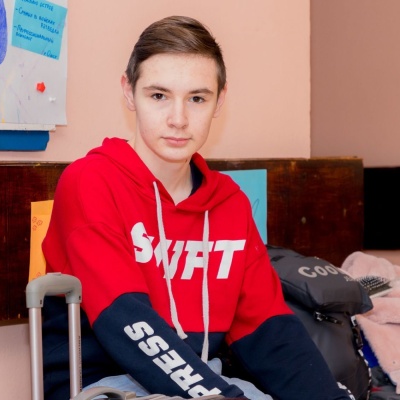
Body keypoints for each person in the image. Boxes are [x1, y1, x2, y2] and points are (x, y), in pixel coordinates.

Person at [41, 15, 354, 400]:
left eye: (197, 98)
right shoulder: (90, 182)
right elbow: (128, 323)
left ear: (219, 101)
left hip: (205, 379)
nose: (178, 120)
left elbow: (270, 331)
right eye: (159, 96)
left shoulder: (229, 203)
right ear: (129, 92)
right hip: (105, 385)